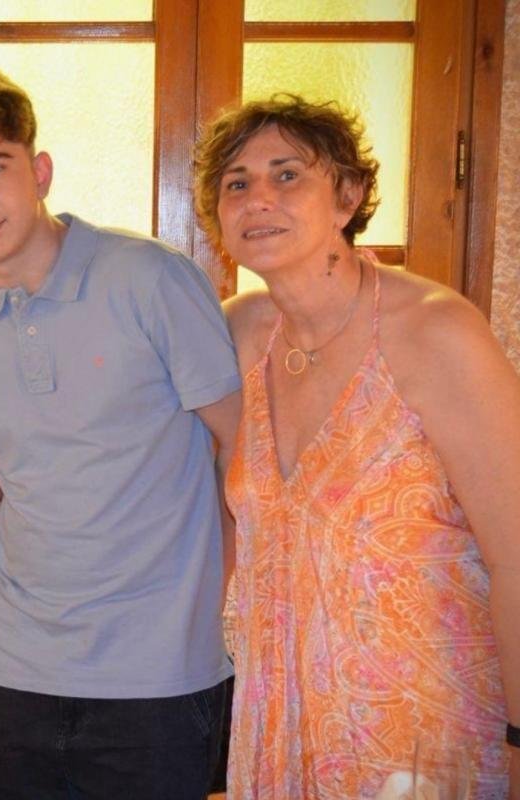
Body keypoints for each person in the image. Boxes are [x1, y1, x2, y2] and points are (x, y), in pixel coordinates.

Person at [0, 70, 243, 800]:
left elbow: (245, 451)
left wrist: (231, 607)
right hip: (18, 673)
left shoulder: (149, 278)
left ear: (40, 172)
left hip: (159, 675)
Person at [194, 94, 520, 798]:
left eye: (287, 175)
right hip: (280, 724)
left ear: (347, 196)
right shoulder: (238, 334)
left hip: (423, 734)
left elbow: (516, 554)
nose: (258, 198)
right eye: (237, 183)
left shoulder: (435, 332)